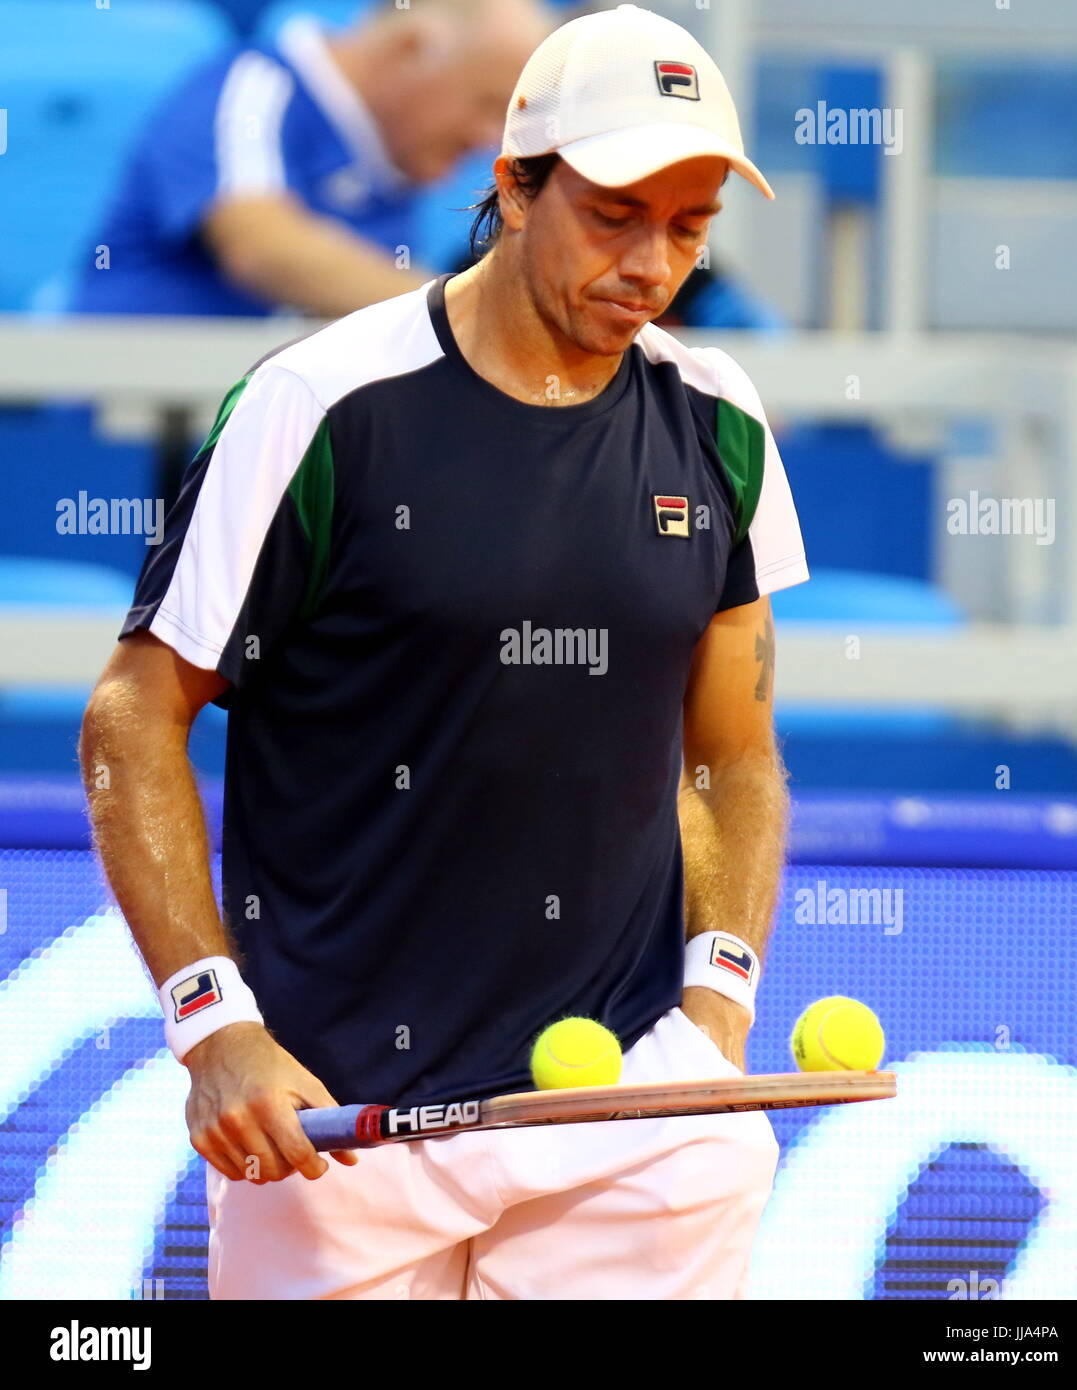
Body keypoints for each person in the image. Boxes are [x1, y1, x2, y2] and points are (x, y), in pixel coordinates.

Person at [81, 3, 808, 1300]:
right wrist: (213, 1027)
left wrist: (717, 1005)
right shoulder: (317, 407)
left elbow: (732, 750)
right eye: (615, 214)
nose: (653, 263)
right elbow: (133, 720)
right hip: (339, 1128)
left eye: (689, 228)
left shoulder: (722, 424)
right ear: (513, 188)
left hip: (630, 1115)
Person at [71, 0, 550, 318]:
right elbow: (263, 248)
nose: (491, 139)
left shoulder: (397, 156)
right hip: (127, 434)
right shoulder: (254, 85)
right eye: (488, 104)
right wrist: (482, 315)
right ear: (409, 52)